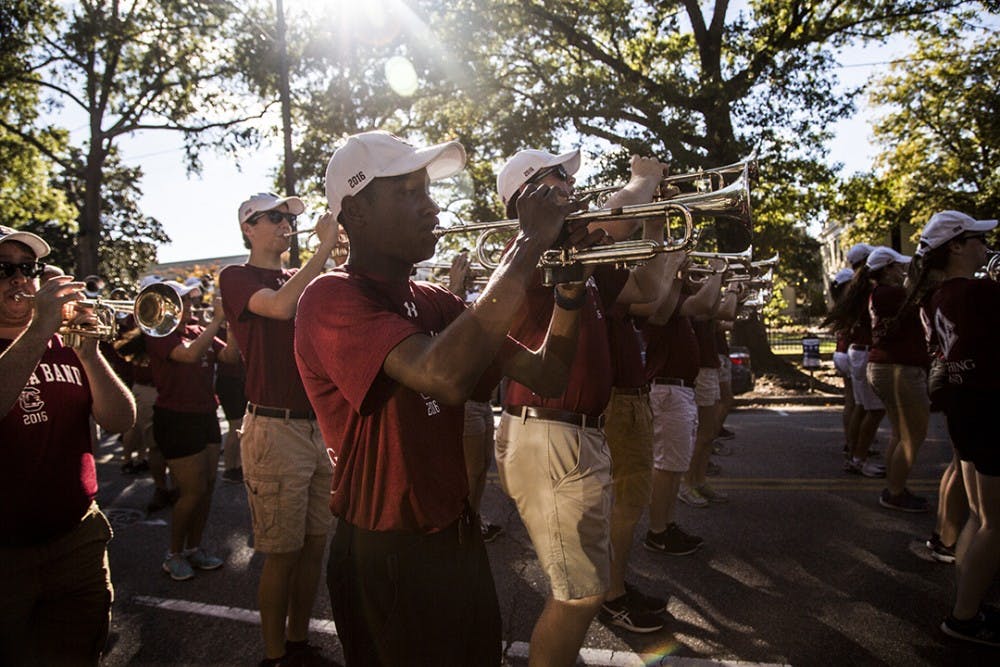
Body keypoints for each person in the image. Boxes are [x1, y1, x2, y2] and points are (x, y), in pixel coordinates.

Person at [295, 130, 602, 666]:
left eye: (427, 192)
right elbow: (443, 375)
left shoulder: (434, 299)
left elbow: (548, 374)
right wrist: (529, 243)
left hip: (455, 540)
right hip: (384, 552)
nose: (432, 205)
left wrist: (570, 293)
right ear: (357, 214)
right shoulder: (330, 296)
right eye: (410, 192)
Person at [493, 148, 670, 658]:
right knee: (578, 595)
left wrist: (655, 227)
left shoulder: (575, 254)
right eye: (560, 176)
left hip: (576, 432)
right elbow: (618, 210)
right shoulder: (540, 246)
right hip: (551, 431)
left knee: (584, 591)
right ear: (529, 194)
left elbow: (649, 289)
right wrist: (642, 181)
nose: (573, 183)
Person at [219, 191, 345, 666]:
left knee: (315, 547)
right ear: (248, 228)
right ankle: (274, 657)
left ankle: (298, 642)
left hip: (317, 428)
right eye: (274, 217)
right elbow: (278, 308)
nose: (286, 223)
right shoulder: (236, 276)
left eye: (289, 216)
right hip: (274, 428)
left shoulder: (302, 274)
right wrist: (323, 252)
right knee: (282, 552)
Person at [0, 225, 136, 665]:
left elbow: (121, 419)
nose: (19, 279)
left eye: (28, 268)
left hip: (78, 541)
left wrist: (90, 354)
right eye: (3, 269)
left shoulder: (65, 344)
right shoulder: (43, 333)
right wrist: (40, 328)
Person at [905, 210, 1000, 645]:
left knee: (981, 519)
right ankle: (964, 617)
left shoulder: (934, 298)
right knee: (993, 523)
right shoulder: (976, 292)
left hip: (968, 411)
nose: (986, 246)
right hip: (989, 406)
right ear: (957, 246)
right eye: (978, 239)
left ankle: (969, 603)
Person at [145, 280, 231, 580]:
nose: (190, 306)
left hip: (206, 414)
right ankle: (173, 554)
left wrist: (232, 322)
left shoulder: (197, 330)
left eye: (190, 301)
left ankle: (194, 548)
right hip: (176, 418)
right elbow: (189, 355)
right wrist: (218, 320)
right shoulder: (160, 334)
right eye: (182, 301)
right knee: (192, 491)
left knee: (206, 490)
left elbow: (231, 356)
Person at [635, 254, 714, 556]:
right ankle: (657, 531)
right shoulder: (657, 300)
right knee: (666, 466)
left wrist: (679, 272)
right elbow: (661, 309)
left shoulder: (673, 294)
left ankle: (666, 525)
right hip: (667, 389)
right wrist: (673, 266)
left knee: (673, 466)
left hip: (678, 390)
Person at [863, 247, 932, 512]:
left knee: (901, 432)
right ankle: (895, 491)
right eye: (898, 266)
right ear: (888, 269)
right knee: (913, 434)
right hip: (897, 368)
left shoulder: (884, 293)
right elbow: (920, 297)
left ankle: (895, 487)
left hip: (889, 366)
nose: (903, 270)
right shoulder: (890, 293)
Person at [823, 244, 886, 478]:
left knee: (856, 403)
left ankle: (855, 448)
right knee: (864, 406)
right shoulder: (859, 286)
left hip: (849, 350)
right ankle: (857, 451)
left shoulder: (853, 287)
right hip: (856, 350)